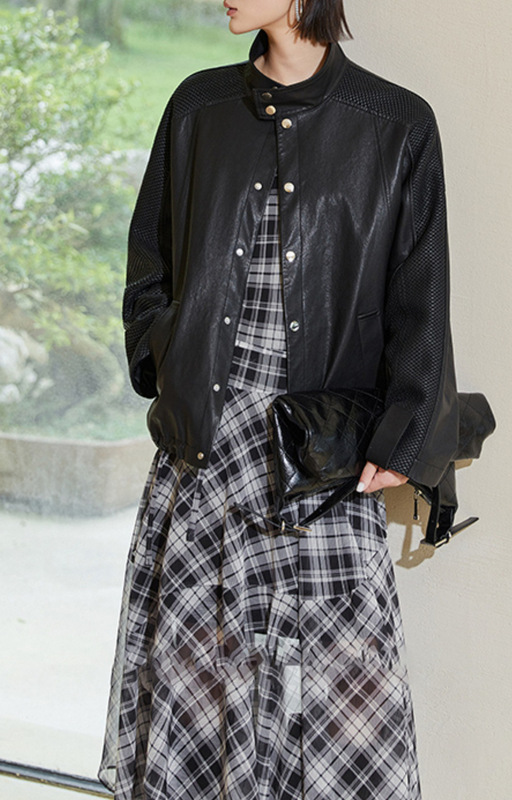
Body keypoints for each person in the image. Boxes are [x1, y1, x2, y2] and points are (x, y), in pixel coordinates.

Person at [98, 1, 460, 798]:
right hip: (206, 460)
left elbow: (422, 301)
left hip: (320, 465)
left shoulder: (396, 124)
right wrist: (167, 362)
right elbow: (149, 264)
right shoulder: (197, 107)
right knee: (197, 709)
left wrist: (402, 441)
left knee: (338, 721)